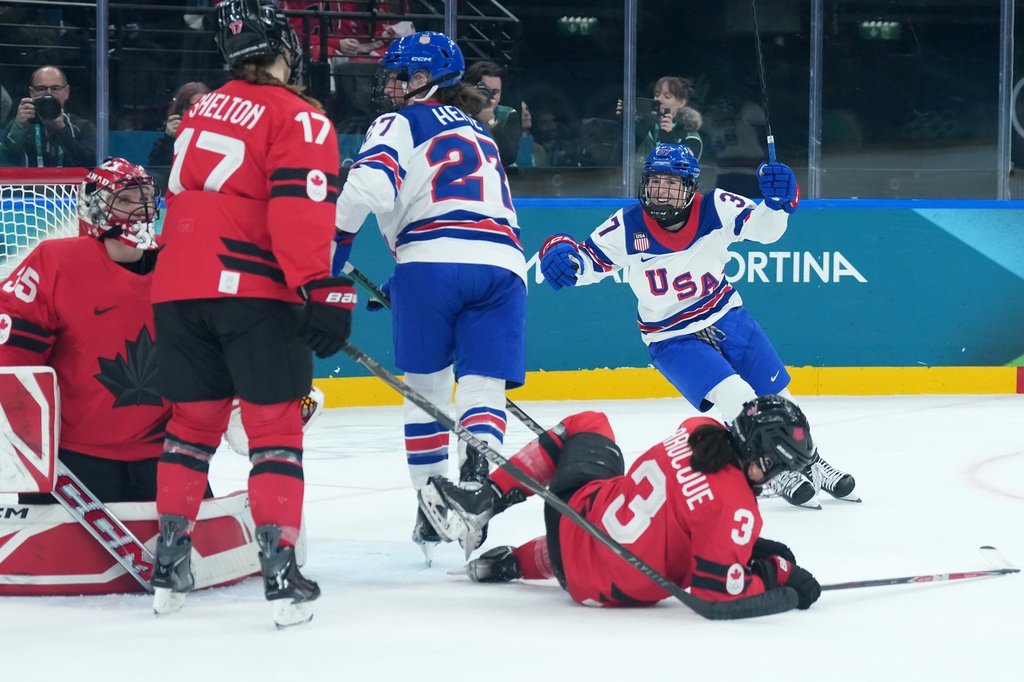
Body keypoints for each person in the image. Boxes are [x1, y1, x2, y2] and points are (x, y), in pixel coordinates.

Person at [149, 0, 354, 628]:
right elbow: (298, 211)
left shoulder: (201, 108)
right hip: (253, 292)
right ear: (282, 47)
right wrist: (319, 285)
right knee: (273, 433)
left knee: (190, 428)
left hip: (177, 289)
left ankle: (169, 567)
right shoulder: (300, 116)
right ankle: (282, 573)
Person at [538, 143, 857, 508]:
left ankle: (812, 461)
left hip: (726, 315)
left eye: (672, 184)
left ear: (690, 188)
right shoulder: (625, 225)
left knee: (783, 401)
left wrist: (778, 203)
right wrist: (558, 252)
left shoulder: (716, 207)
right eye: (656, 182)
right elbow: (584, 264)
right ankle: (769, 469)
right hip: (670, 336)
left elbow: (765, 231)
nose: (662, 191)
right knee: (735, 395)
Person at [334, 31, 526, 563]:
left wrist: (333, 251)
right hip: (503, 266)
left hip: (430, 261)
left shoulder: (400, 121)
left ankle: (429, 503)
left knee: (427, 390)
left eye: (406, 76)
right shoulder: (481, 132)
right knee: (483, 387)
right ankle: (479, 476)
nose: (395, 85)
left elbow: (368, 191)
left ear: (430, 81)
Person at [418, 395, 822, 611]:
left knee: (590, 424)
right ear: (764, 459)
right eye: (775, 468)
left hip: (570, 523)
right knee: (637, 546)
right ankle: (507, 564)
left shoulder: (696, 429)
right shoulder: (736, 509)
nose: (771, 479)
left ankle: (484, 500)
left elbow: (689, 506)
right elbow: (718, 592)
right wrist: (779, 574)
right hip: (597, 591)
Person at [0, 158, 166, 504]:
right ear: (94, 207)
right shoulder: (56, 262)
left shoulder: (180, 260)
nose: (140, 207)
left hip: (166, 453)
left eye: (145, 196)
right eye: (125, 199)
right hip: (73, 459)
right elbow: (12, 352)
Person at [1, 65, 96, 168]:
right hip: (29, 184)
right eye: (41, 89)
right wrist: (19, 128)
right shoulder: (22, 124)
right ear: (32, 93)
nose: (48, 94)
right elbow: (5, 162)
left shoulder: (82, 127)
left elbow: (90, 165)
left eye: (55, 88)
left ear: (66, 92)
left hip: (70, 184)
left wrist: (62, 130)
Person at [146, 81, 211, 189]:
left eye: (204, 106)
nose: (199, 111)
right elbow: (155, 170)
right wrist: (170, 138)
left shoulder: (218, 135)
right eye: (193, 107)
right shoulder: (170, 138)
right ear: (182, 110)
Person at [464, 60, 520, 168]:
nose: (490, 96)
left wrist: (491, 122)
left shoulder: (507, 115)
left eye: (495, 92)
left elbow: (508, 158)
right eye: (485, 90)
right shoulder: (453, 112)